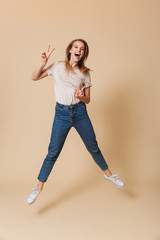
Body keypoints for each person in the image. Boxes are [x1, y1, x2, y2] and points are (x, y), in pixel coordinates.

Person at [26, 39, 124, 205]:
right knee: (53, 152)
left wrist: (81, 97)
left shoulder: (85, 73)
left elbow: (88, 100)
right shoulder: (57, 66)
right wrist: (43, 63)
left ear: (83, 53)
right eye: (76, 47)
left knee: (93, 146)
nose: (79, 50)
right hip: (62, 114)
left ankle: (109, 175)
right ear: (70, 50)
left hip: (80, 112)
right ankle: (38, 188)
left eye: (82, 48)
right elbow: (34, 77)